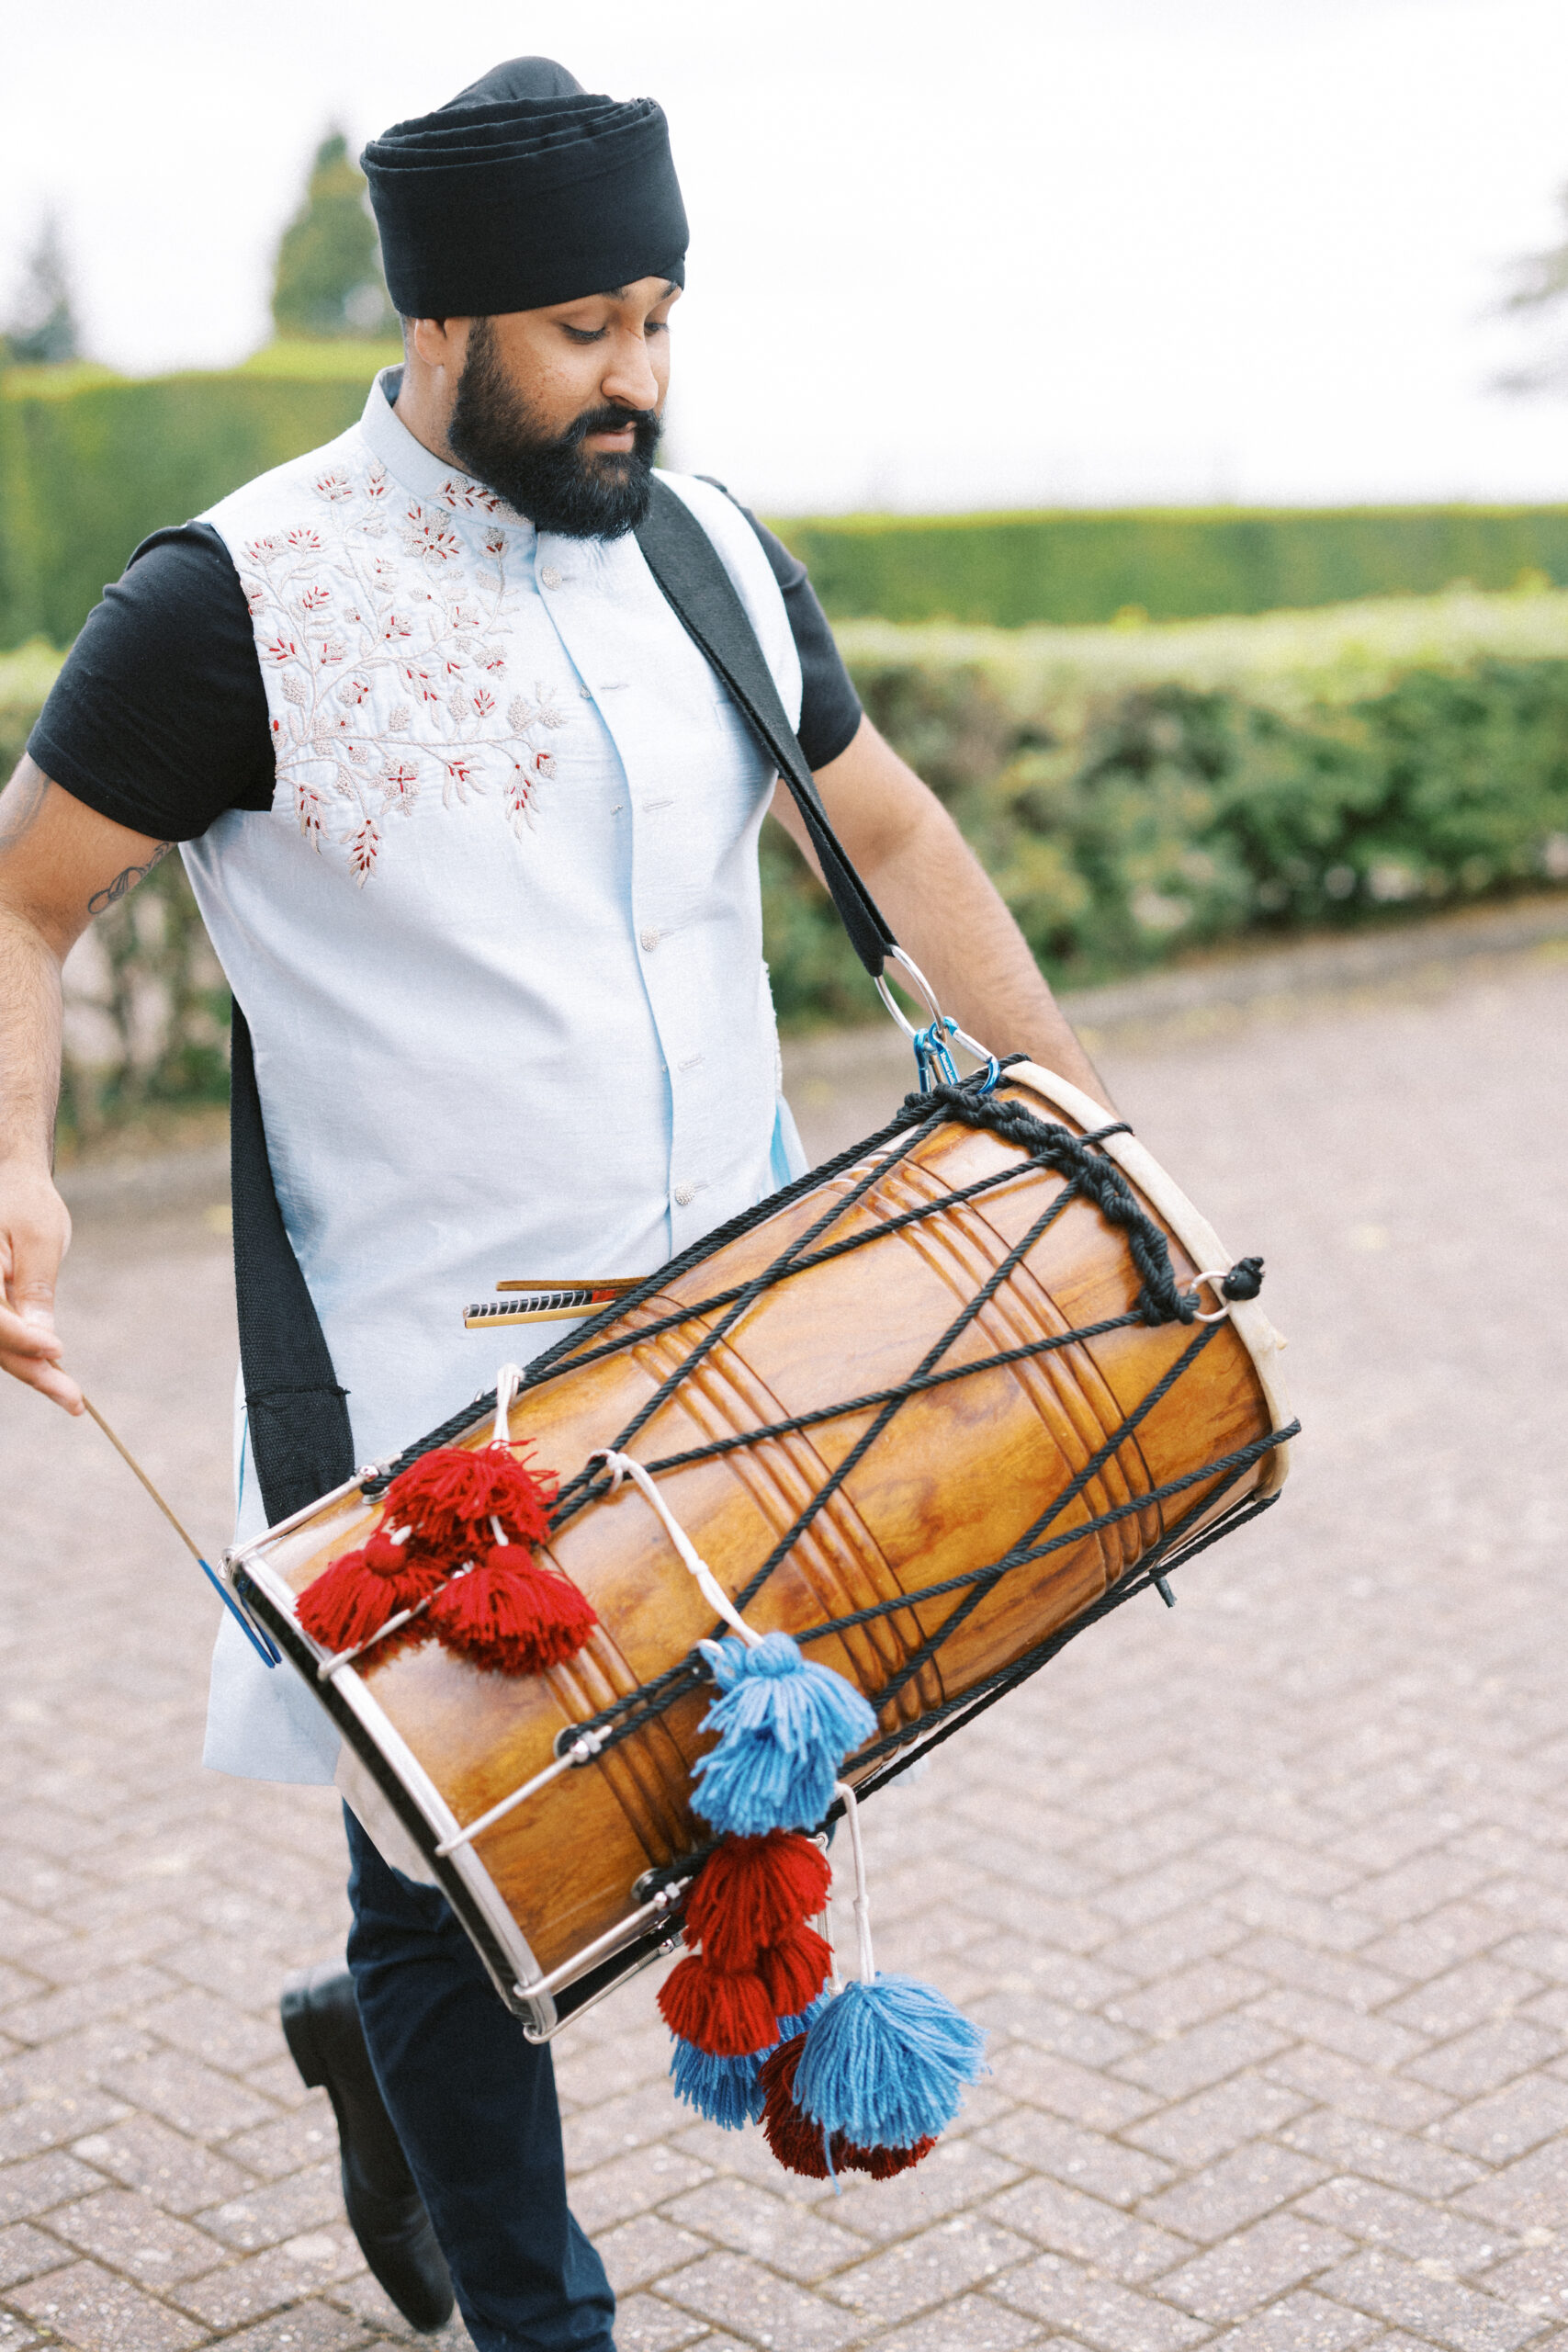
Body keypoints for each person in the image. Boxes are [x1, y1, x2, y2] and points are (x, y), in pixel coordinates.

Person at [0, 54, 1106, 2352]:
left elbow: (878, 830)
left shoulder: (701, 544)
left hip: (743, 1313)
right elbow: (23, 901)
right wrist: (11, 1160)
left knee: (670, 1796)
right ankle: (539, 2309)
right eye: (587, 330)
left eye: (661, 316)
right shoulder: (236, 595)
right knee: (447, 1855)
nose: (641, 378)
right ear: (441, 327)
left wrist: (1078, 1117)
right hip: (436, 1365)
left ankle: (374, 2040)